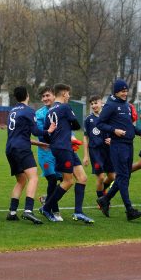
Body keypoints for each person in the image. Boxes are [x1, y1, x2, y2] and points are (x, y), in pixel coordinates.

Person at [40, 83, 93, 224]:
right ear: (64, 94)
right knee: (68, 181)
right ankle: (46, 208)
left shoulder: (49, 111)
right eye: (68, 94)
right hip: (63, 148)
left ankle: (78, 212)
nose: (69, 96)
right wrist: (65, 128)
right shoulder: (65, 107)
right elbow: (76, 125)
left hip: (62, 148)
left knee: (82, 178)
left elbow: (46, 135)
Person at [96, 79, 141, 221]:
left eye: (126, 91)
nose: (125, 93)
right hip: (118, 146)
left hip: (129, 145)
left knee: (124, 177)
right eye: (123, 91)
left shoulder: (126, 105)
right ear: (116, 92)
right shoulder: (110, 105)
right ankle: (129, 209)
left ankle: (104, 199)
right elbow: (99, 123)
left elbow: (129, 125)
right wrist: (114, 130)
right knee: (123, 177)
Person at [5, 86, 56, 224]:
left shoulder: (12, 111)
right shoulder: (28, 111)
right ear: (27, 95)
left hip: (10, 148)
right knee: (33, 178)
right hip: (22, 149)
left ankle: (12, 211)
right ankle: (28, 210)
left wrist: (40, 144)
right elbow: (35, 131)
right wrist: (48, 130)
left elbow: (19, 135)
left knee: (21, 180)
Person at [35, 86, 63, 221]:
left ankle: (47, 198)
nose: (45, 98)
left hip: (59, 151)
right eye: (43, 96)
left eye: (48, 95)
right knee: (52, 179)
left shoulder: (60, 110)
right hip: (45, 152)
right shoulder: (40, 114)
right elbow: (41, 134)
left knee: (64, 180)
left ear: (54, 96)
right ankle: (55, 211)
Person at [82, 95, 115, 201]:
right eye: (91, 104)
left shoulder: (108, 118)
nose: (93, 105)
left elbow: (114, 131)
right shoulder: (88, 119)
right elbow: (85, 137)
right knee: (100, 177)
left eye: (96, 103)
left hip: (108, 150)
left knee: (112, 177)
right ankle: (101, 201)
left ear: (101, 103)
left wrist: (112, 140)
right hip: (95, 151)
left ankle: (102, 192)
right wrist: (86, 156)